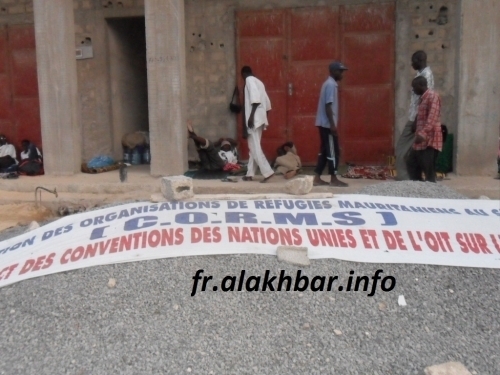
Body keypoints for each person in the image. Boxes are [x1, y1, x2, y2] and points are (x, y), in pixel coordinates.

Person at [395, 50, 434, 180]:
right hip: (415, 118)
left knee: (401, 149)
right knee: (412, 151)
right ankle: (412, 178)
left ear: (419, 60)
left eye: (413, 61)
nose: (411, 64)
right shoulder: (420, 74)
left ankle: (404, 179)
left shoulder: (426, 76)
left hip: (416, 120)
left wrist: (417, 119)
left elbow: (425, 99)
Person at [313, 61, 348, 187]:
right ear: (333, 71)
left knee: (324, 150)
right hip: (327, 124)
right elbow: (328, 106)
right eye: (340, 71)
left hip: (323, 123)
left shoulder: (328, 84)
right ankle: (333, 178)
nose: (342, 74)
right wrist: (333, 125)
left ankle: (317, 177)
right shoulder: (331, 85)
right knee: (333, 151)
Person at [240, 66, 274, 183]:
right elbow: (268, 104)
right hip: (260, 119)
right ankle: (250, 174)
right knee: (254, 146)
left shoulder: (249, 80)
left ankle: (267, 172)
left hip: (253, 120)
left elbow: (255, 100)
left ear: (244, 74)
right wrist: (263, 118)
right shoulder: (259, 82)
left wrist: (251, 118)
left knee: (254, 147)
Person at [406, 76, 442, 183]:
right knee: (411, 163)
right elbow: (421, 114)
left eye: (414, 87)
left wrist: (423, 133)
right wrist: (415, 124)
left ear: (421, 85)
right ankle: (419, 187)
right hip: (420, 140)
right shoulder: (423, 99)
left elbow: (432, 117)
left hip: (429, 140)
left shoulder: (432, 96)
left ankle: (431, 192)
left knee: (428, 169)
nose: (413, 90)